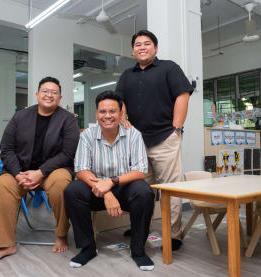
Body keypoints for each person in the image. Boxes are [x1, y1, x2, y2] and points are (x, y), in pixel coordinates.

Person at [0, 76, 80, 263]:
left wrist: (40, 172)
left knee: (61, 184)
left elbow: (68, 153)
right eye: (45, 91)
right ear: (37, 94)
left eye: (54, 92)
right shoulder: (20, 117)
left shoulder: (68, 119)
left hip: (54, 171)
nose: (49, 95)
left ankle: (61, 233)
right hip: (20, 171)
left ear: (60, 98)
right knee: (1, 186)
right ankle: (6, 244)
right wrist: (17, 173)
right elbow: (6, 148)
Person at [115, 30, 194, 251]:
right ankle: (141, 228)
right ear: (133, 50)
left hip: (165, 138)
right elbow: (118, 100)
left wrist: (176, 128)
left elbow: (183, 95)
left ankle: (174, 234)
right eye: (138, 44)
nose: (142, 47)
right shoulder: (126, 75)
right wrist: (123, 120)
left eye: (147, 43)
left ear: (155, 48)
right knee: (141, 189)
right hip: (137, 142)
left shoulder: (169, 67)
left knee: (170, 189)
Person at [64, 91, 155, 271]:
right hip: (96, 190)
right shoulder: (87, 135)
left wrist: (111, 183)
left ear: (122, 114)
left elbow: (140, 171)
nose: (107, 116)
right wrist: (105, 191)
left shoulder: (133, 135)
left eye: (112, 111)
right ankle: (88, 248)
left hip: (124, 189)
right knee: (72, 191)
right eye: (102, 112)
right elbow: (81, 170)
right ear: (96, 114)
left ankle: (138, 251)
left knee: (144, 192)